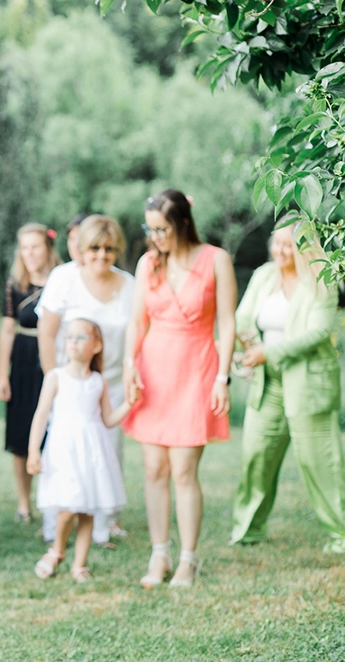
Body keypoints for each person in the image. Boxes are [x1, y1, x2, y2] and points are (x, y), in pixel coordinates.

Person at [123, 189, 236, 588]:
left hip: (197, 369)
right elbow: (137, 322)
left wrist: (222, 378)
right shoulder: (148, 263)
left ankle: (188, 559)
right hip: (154, 370)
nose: (154, 237)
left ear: (182, 224)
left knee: (184, 470)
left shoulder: (216, 260)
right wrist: (128, 366)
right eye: (149, 228)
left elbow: (227, 324)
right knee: (154, 468)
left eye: (161, 229)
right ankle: (160, 555)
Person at [229, 224, 345, 553]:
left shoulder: (323, 280)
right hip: (268, 384)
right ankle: (247, 529)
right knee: (256, 456)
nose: (281, 251)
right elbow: (243, 316)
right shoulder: (265, 275)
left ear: (306, 246)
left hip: (308, 383)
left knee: (320, 463)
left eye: (289, 245)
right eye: (276, 244)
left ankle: (341, 534)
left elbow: (318, 333)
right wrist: (250, 344)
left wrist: (268, 352)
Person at [37, 215, 134, 545]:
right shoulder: (64, 279)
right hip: (69, 385)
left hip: (113, 383)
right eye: (94, 248)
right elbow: (46, 334)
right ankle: (57, 525)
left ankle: (103, 525)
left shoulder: (129, 285)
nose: (101, 255)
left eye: (109, 249)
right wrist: (56, 382)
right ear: (81, 248)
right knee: (65, 455)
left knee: (107, 455)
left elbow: (137, 335)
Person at [28, 318, 130, 582]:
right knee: (68, 507)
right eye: (69, 336)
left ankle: (79, 564)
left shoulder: (98, 381)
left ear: (96, 346)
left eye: (80, 337)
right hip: (64, 450)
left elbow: (107, 418)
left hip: (93, 450)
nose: (73, 341)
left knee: (87, 508)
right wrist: (33, 452)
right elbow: (40, 415)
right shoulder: (56, 377)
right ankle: (57, 551)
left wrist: (130, 403)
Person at [0, 223, 61, 523]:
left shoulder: (62, 279)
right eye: (24, 247)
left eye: (35, 246)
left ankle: (55, 500)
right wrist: (2, 375)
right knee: (22, 433)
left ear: (47, 248)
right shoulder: (16, 284)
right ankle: (24, 503)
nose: (30, 253)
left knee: (56, 431)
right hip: (23, 360)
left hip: (55, 359)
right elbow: (8, 329)